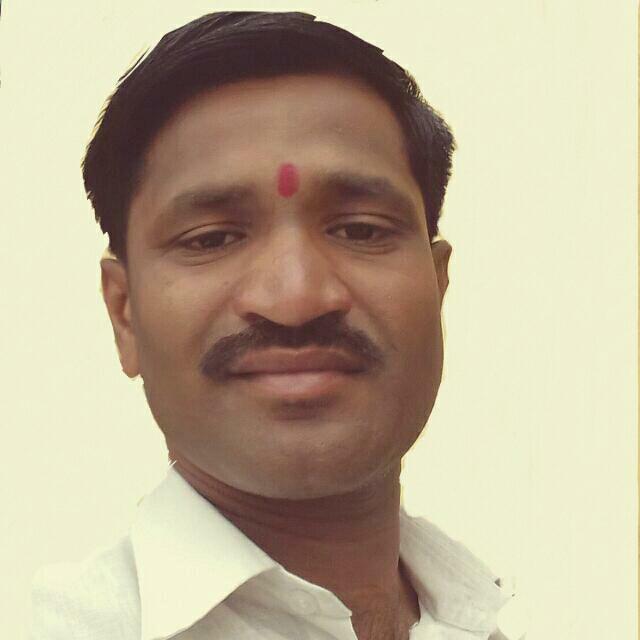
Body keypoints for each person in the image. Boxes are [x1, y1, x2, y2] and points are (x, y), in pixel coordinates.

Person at [30, 11, 517, 640]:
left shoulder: (479, 621)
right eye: (212, 238)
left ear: (438, 285)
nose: (296, 298)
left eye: (360, 229)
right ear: (124, 312)